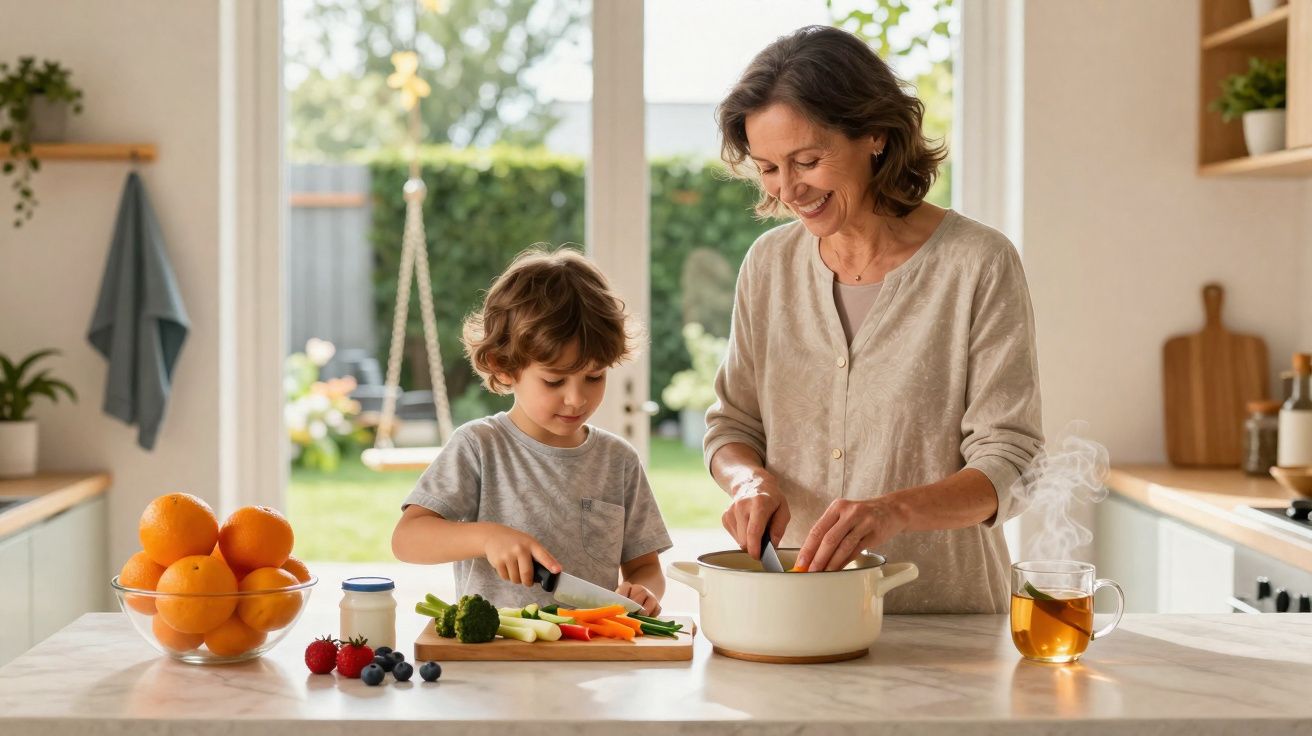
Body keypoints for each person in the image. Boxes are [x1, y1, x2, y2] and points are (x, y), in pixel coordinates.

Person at [705, 25, 1043, 613]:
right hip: (801, 616)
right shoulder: (768, 266)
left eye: (807, 160)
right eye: (768, 168)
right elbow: (733, 425)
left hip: (947, 622)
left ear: (875, 135)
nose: (789, 189)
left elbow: (1009, 461)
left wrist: (895, 510)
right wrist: (748, 481)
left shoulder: (977, 263)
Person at [392, 247, 672, 615]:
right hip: (498, 654)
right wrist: (487, 537)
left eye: (594, 376)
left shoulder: (618, 460)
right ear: (503, 367)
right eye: (554, 381)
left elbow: (644, 566)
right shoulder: (479, 446)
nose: (576, 398)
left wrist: (643, 590)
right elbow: (407, 539)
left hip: (593, 653)